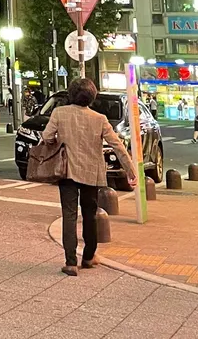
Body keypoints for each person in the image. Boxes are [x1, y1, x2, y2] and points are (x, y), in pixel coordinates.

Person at [40, 77, 135, 275]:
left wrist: (61, 140)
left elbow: (46, 136)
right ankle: (89, 257)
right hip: (92, 173)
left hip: (66, 172)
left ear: (71, 94)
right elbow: (117, 145)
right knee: (90, 214)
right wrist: (130, 169)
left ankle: (71, 262)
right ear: (92, 97)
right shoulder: (99, 119)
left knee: (69, 215)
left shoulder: (59, 113)